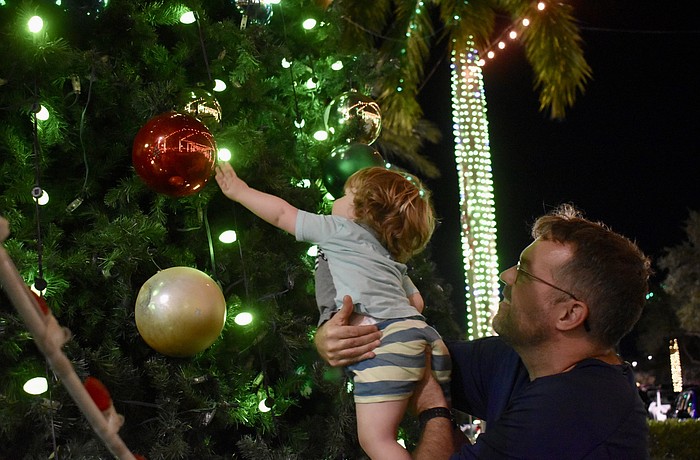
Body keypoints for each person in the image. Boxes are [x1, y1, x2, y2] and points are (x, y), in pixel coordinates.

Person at [315, 204, 652, 459]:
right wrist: (334, 337)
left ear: (569, 314)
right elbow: (403, 352)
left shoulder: (578, 409)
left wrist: (435, 410)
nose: (506, 275)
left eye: (524, 272)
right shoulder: (516, 359)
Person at [215, 162, 451, 460]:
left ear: (361, 210)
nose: (334, 200)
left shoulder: (338, 228)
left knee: (377, 440)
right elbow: (417, 304)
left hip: (382, 340)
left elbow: (283, 213)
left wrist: (241, 191)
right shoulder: (388, 256)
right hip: (422, 336)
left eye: (343, 195)